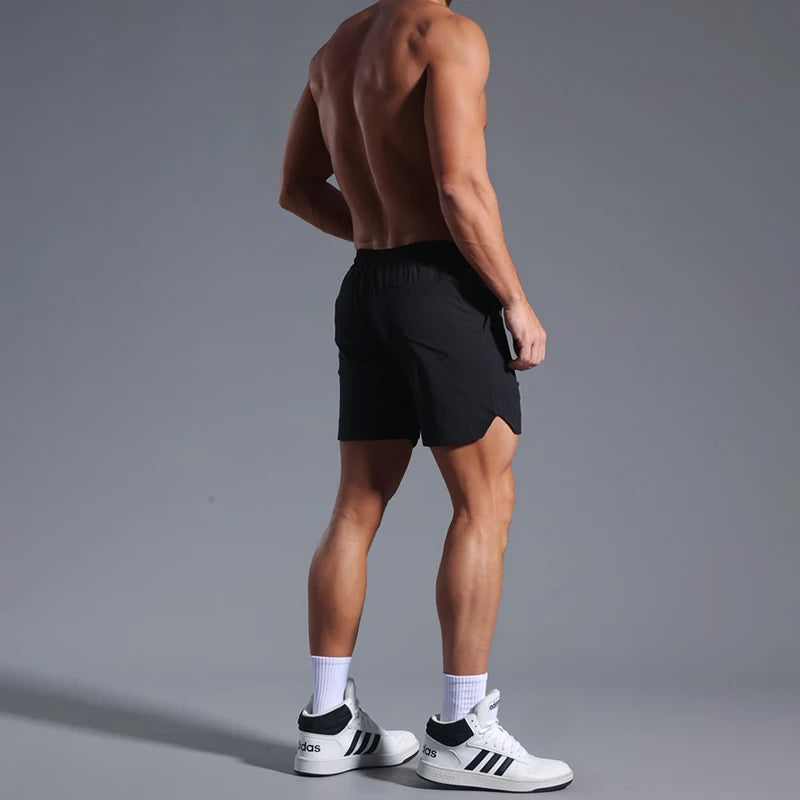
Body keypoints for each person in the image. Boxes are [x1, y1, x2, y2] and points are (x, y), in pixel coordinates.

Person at [278, 0, 572, 792]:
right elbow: (459, 185)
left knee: (355, 506)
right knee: (486, 500)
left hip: (366, 286)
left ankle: (327, 722)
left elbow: (297, 189)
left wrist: (381, 237)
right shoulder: (448, 35)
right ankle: (460, 731)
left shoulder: (335, 49)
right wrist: (514, 299)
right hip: (440, 289)